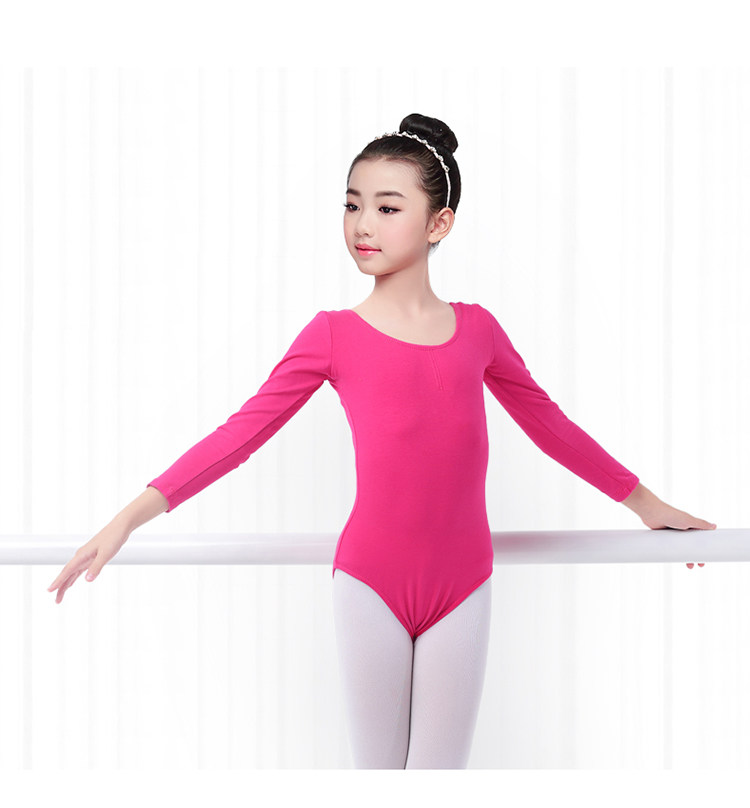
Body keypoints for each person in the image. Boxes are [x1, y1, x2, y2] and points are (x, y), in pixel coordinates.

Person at [47, 113, 715, 768]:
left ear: (439, 223)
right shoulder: (332, 335)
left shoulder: (479, 330)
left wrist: (649, 506)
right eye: (352, 204)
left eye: (388, 208)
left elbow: (551, 427)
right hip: (370, 581)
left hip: (463, 582)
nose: (362, 224)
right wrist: (127, 518)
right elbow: (241, 434)